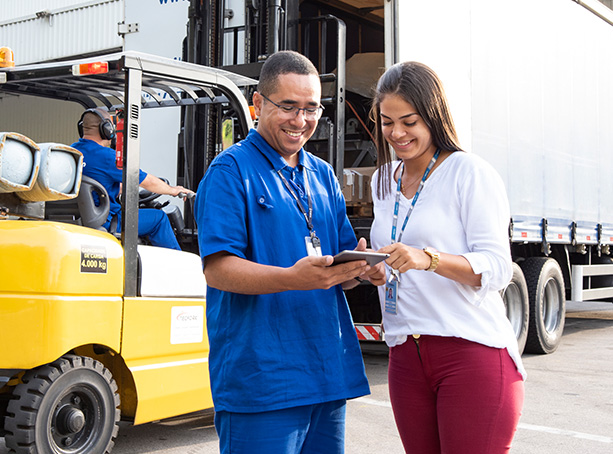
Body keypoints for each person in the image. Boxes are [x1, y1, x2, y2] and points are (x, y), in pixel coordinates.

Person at [194, 50, 385, 454]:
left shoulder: (322, 174)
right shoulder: (230, 172)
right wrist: (291, 279)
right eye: (289, 107)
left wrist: (360, 270)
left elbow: (339, 263)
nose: (301, 121)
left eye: (312, 108)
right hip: (263, 380)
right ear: (258, 104)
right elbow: (218, 269)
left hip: (325, 370)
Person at [369, 61, 526, 454]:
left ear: (434, 116)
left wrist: (430, 259)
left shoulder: (468, 172)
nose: (397, 133)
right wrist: (376, 270)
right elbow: (397, 256)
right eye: (387, 122)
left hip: (469, 351)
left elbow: (497, 267)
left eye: (409, 121)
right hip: (405, 353)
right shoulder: (382, 180)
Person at [72, 108, 193, 250]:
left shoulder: (72, 152)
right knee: (159, 218)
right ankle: (177, 268)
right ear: (106, 129)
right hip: (106, 221)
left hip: (81, 218)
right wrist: (172, 190)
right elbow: (146, 181)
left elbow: (99, 182)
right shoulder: (108, 157)